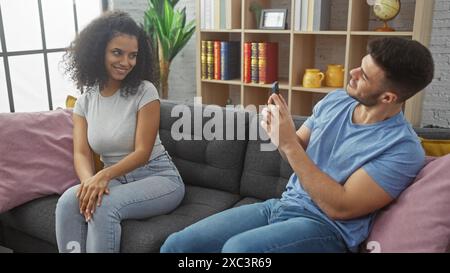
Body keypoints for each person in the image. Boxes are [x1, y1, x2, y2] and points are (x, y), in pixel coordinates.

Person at [160, 37, 434, 253]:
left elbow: (340, 206)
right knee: (178, 245)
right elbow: (295, 147)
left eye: (363, 75)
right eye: (359, 65)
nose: (351, 73)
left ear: (388, 97)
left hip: (327, 228)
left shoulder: (402, 149)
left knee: (238, 251)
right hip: (281, 206)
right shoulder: (336, 101)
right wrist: (280, 132)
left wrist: (290, 144)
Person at [55, 11, 184, 253]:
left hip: (158, 176)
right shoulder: (85, 102)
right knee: (67, 202)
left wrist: (102, 177)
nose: (126, 62)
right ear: (98, 51)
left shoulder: (145, 91)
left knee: (103, 207)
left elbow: (143, 152)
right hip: (114, 180)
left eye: (132, 55)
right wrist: (88, 184)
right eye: (117, 52)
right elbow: (81, 154)